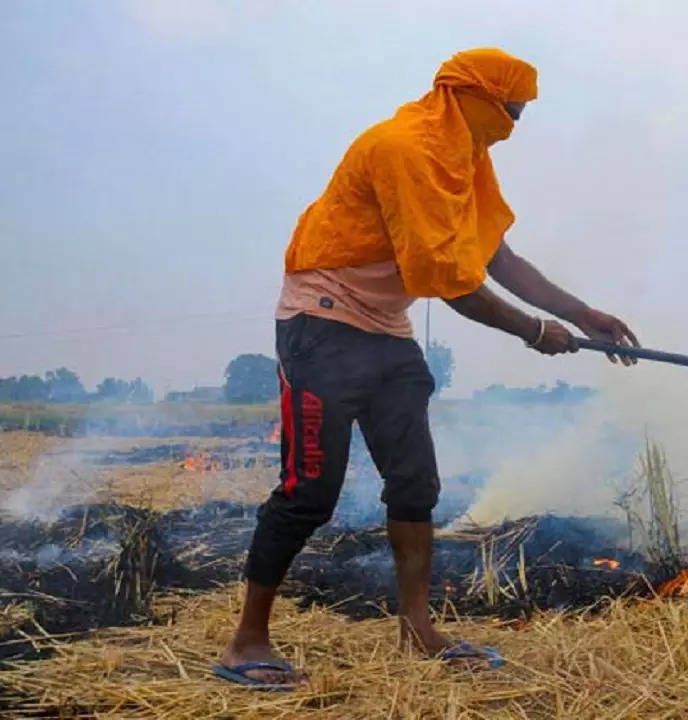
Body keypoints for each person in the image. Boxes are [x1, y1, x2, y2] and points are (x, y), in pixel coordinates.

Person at [213, 48, 639, 688]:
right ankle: (246, 641)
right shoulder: (406, 147)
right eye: (511, 110)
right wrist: (533, 332)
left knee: (416, 486)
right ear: (473, 97)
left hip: (386, 328)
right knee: (310, 494)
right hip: (322, 321)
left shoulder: (466, 158)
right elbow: (451, 283)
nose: (514, 125)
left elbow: (494, 254)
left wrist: (582, 315)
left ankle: (417, 629)